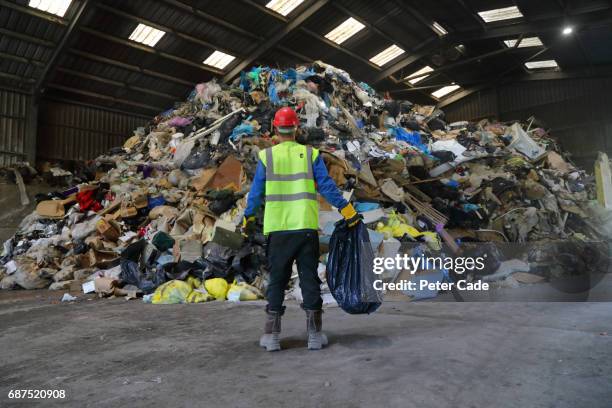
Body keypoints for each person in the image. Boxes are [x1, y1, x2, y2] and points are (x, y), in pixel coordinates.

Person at [242, 107, 360, 351]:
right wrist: (346, 210)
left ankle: (272, 337)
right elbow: (327, 187)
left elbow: (255, 194)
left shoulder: (268, 157)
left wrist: (248, 218)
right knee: (309, 279)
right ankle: (315, 336)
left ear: (275, 128)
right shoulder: (310, 155)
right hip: (305, 228)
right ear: (296, 128)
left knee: (277, 280)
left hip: (278, 229)